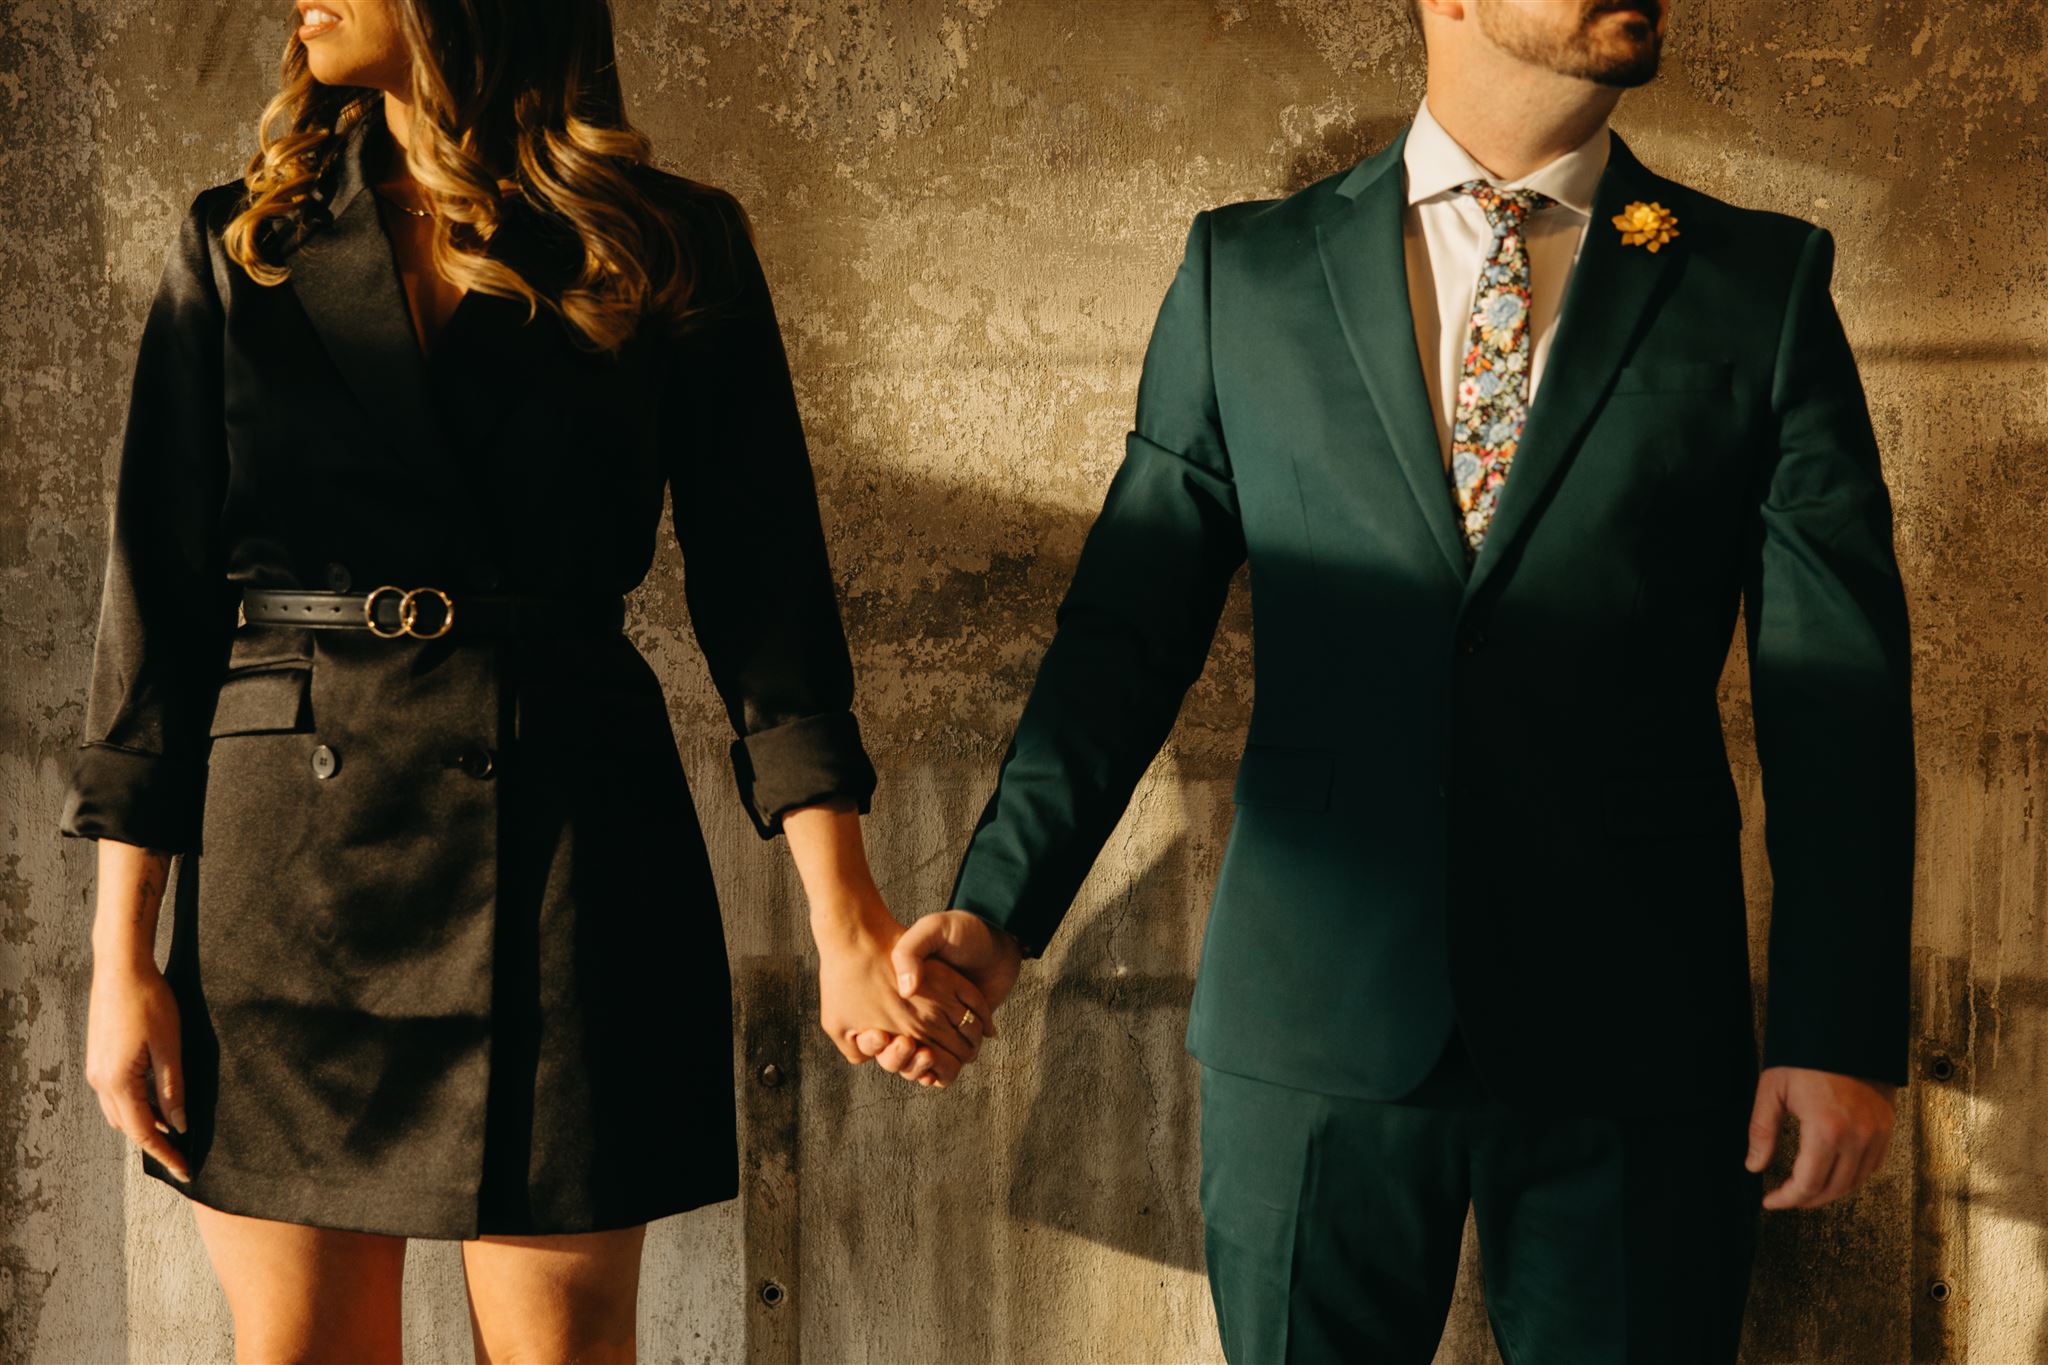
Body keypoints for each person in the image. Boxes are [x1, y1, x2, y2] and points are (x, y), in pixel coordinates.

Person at [878, 0, 1916, 1358]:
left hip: (1636, 1040)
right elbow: (1125, 634)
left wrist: (1840, 1024)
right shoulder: (1245, 273)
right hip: (1313, 1038)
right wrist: (998, 907)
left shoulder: (1752, 285)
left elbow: (1834, 692)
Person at [63, 2, 986, 1359]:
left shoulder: (666, 241)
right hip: (287, 876)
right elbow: (154, 616)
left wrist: (843, 919)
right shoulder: (240, 243)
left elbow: (768, 601)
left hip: (568, 845)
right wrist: (118, 958)